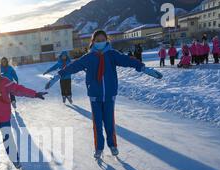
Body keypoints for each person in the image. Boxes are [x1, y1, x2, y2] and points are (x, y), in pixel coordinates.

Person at [45, 30, 148, 159]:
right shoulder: (89, 57)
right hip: (95, 95)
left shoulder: (112, 55)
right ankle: (99, 148)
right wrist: (58, 75)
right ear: (93, 42)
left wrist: (142, 67)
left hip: (110, 94)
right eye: (97, 40)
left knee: (109, 122)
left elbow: (127, 60)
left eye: (102, 40)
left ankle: (112, 145)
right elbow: (73, 66)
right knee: (97, 123)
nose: (100, 43)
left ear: (107, 40)